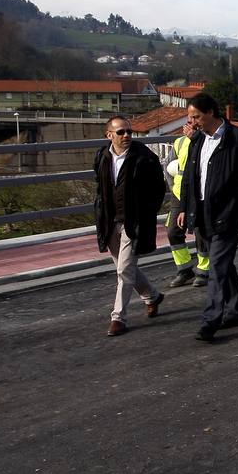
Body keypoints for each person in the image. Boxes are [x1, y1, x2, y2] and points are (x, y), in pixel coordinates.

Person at [177, 92, 238, 343]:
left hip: (228, 213)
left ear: (211, 112)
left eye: (196, 116)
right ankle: (235, 311)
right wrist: (183, 206)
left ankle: (210, 320)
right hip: (203, 212)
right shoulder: (198, 141)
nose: (193, 122)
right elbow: (190, 176)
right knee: (222, 264)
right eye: (191, 117)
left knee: (216, 267)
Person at [93, 115, 167, 336]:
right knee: (125, 267)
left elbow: (158, 188)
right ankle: (152, 296)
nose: (126, 136)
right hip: (109, 221)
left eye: (129, 132)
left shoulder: (143, 157)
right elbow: (100, 187)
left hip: (134, 222)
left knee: (124, 269)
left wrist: (148, 212)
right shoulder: (102, 156)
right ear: (109, 135)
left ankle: (118, 318)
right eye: (121, 132)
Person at [164, 120, 211, 288]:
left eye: (193, 123)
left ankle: (204, 269)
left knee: (201, 232)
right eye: (187, 123)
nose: (188, 126)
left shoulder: (206, 141)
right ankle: (184, 269)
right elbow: (168, 165)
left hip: (198, 194)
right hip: (179, 195)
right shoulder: (179, 142)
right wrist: (173, 187)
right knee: (173, 231)